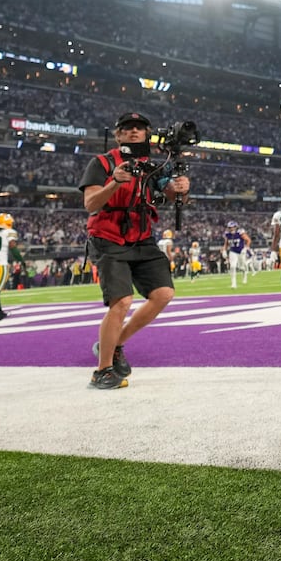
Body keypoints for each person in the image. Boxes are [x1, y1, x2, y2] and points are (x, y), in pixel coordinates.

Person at [79, 112, 191, 390]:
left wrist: (181, 189)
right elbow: (91, 203)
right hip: (108, 238)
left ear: (147, 134)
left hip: (141, 237)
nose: (133, 132)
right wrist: (115, 181)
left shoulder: (153, 166)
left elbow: (168, 196)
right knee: (122, 301)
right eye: (127, 129)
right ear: (117, 135)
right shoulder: (102, 163)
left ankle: (116, 344)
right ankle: (102, 371)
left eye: (139, 129)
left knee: (164, 294)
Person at [225, 221, 251, 288]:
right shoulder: (227, 234)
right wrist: (224, 250)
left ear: (236, 227)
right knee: (232, 266)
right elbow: (226, 244)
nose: (231, 229)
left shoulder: (240, 232)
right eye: (230, 227)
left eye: (232, 227)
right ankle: (233, 283)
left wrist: (246, 248)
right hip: (233, 251)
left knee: (241, 267)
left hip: (241, 251)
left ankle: (245, 274)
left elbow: (248, 240)